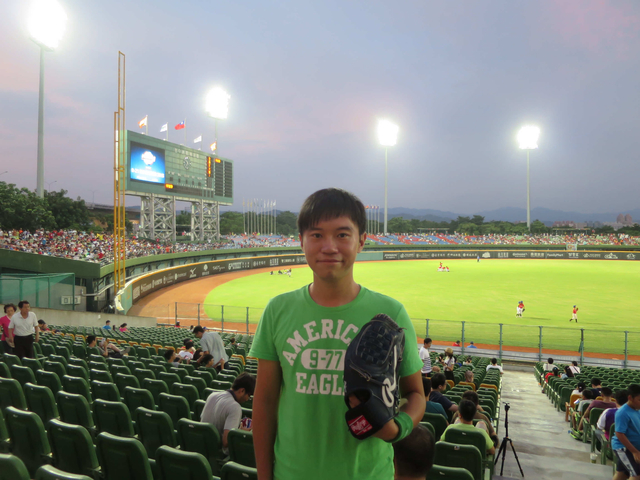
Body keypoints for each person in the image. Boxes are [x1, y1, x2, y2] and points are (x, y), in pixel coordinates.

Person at [249, 188, 425, 480]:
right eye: (316, 235)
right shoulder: (277, 310)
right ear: (301, 242)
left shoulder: (391, 313)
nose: (329, 246)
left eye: (342, 235)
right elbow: (265, 402)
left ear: (361, 242)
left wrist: (398, 428)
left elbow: (416, 393)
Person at [201, 373, 256, 454]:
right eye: (249, 395)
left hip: (202, 446)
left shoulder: (212, 395)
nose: (248, 399)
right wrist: (241, 431)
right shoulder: (235, 407)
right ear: (242, 391)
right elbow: (226, 442)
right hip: (218, 453)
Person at [612, 384, 640, 480]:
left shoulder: (637, 410)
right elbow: (619, 433)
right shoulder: (623, 412)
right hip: (623, 448)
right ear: (630, 398)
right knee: (636, 476)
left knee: (622, 474)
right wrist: (634, 451)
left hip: (634, 447)